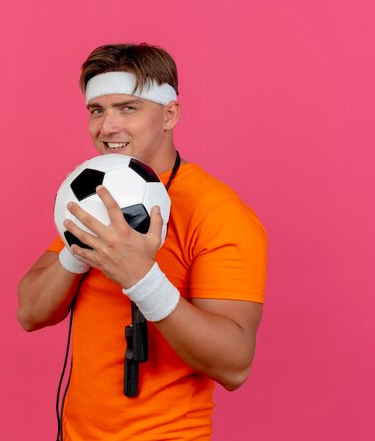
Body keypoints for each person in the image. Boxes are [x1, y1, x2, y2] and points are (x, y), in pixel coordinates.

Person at [17, 43, 268, 441]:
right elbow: (29, 312)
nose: (107, 127)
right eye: (97, 110)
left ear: (169, 114)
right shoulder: (92, 193)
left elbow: (235, 365)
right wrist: (76, 253)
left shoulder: (220, 212)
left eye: (127, 108)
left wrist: (142, 278)